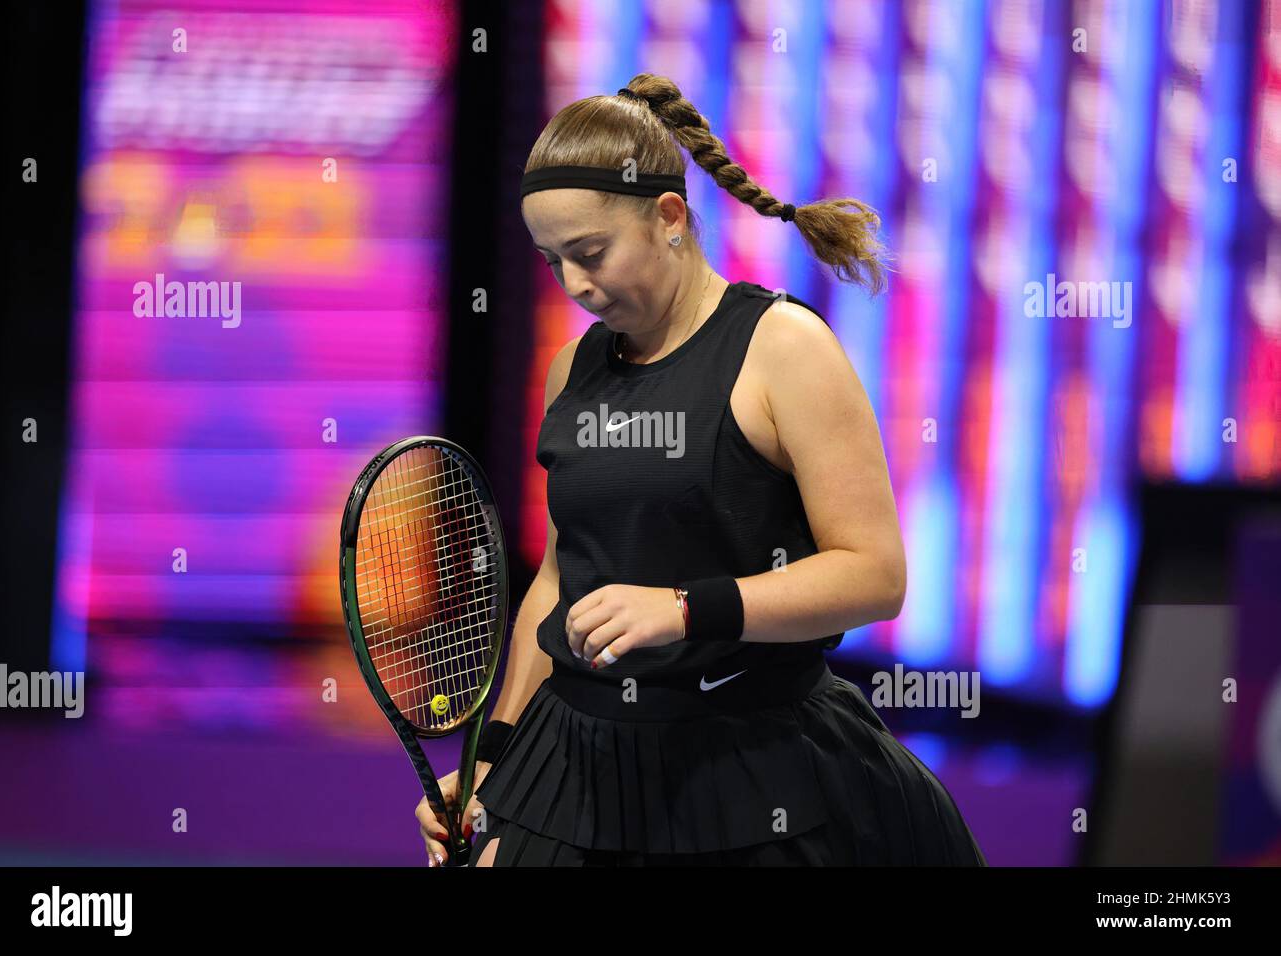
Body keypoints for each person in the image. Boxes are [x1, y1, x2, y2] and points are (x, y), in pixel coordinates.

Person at [416, 72, 987, 867]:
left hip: (759, 770)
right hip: (576, 763)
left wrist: (687, 609)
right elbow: (560, 576)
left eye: (591, 253)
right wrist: (493, 753)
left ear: (670, 217)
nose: (576, 285)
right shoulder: (571, 370)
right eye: (552, 262)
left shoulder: (784, 347)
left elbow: (873, 574)